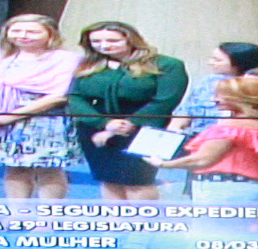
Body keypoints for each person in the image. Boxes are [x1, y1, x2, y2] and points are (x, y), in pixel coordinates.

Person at [155, 75, 258, 214]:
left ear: (243, 99)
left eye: (222, 96)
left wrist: (163, 164)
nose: (214, 100)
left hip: (225, 191)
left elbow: (202, 160)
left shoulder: (231, 127)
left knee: (213, 237)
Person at [70, 22, 187, 206]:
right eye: (96, 41)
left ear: (131, 40)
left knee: (138, 181)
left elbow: (166, 100)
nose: (104, 46)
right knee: (108, 178)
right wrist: (104, 124)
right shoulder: (87, 64)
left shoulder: (168, 64)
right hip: (96, 124)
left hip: (145, 125)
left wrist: (129, 124)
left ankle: (142, 222)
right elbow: (74, 97)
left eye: (113, 41)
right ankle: (117, 221)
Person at [0, 13, 79, 200]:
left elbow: (58, 96)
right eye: (16, 31)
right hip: (0, 121)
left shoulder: (66, 58)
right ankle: (18, 212)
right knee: (14, 168)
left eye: (32, 32)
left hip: (44, 120)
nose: (23, 36)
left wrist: (10, 116)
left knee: (48, 169)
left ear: (51, 34)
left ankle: (49, 214)